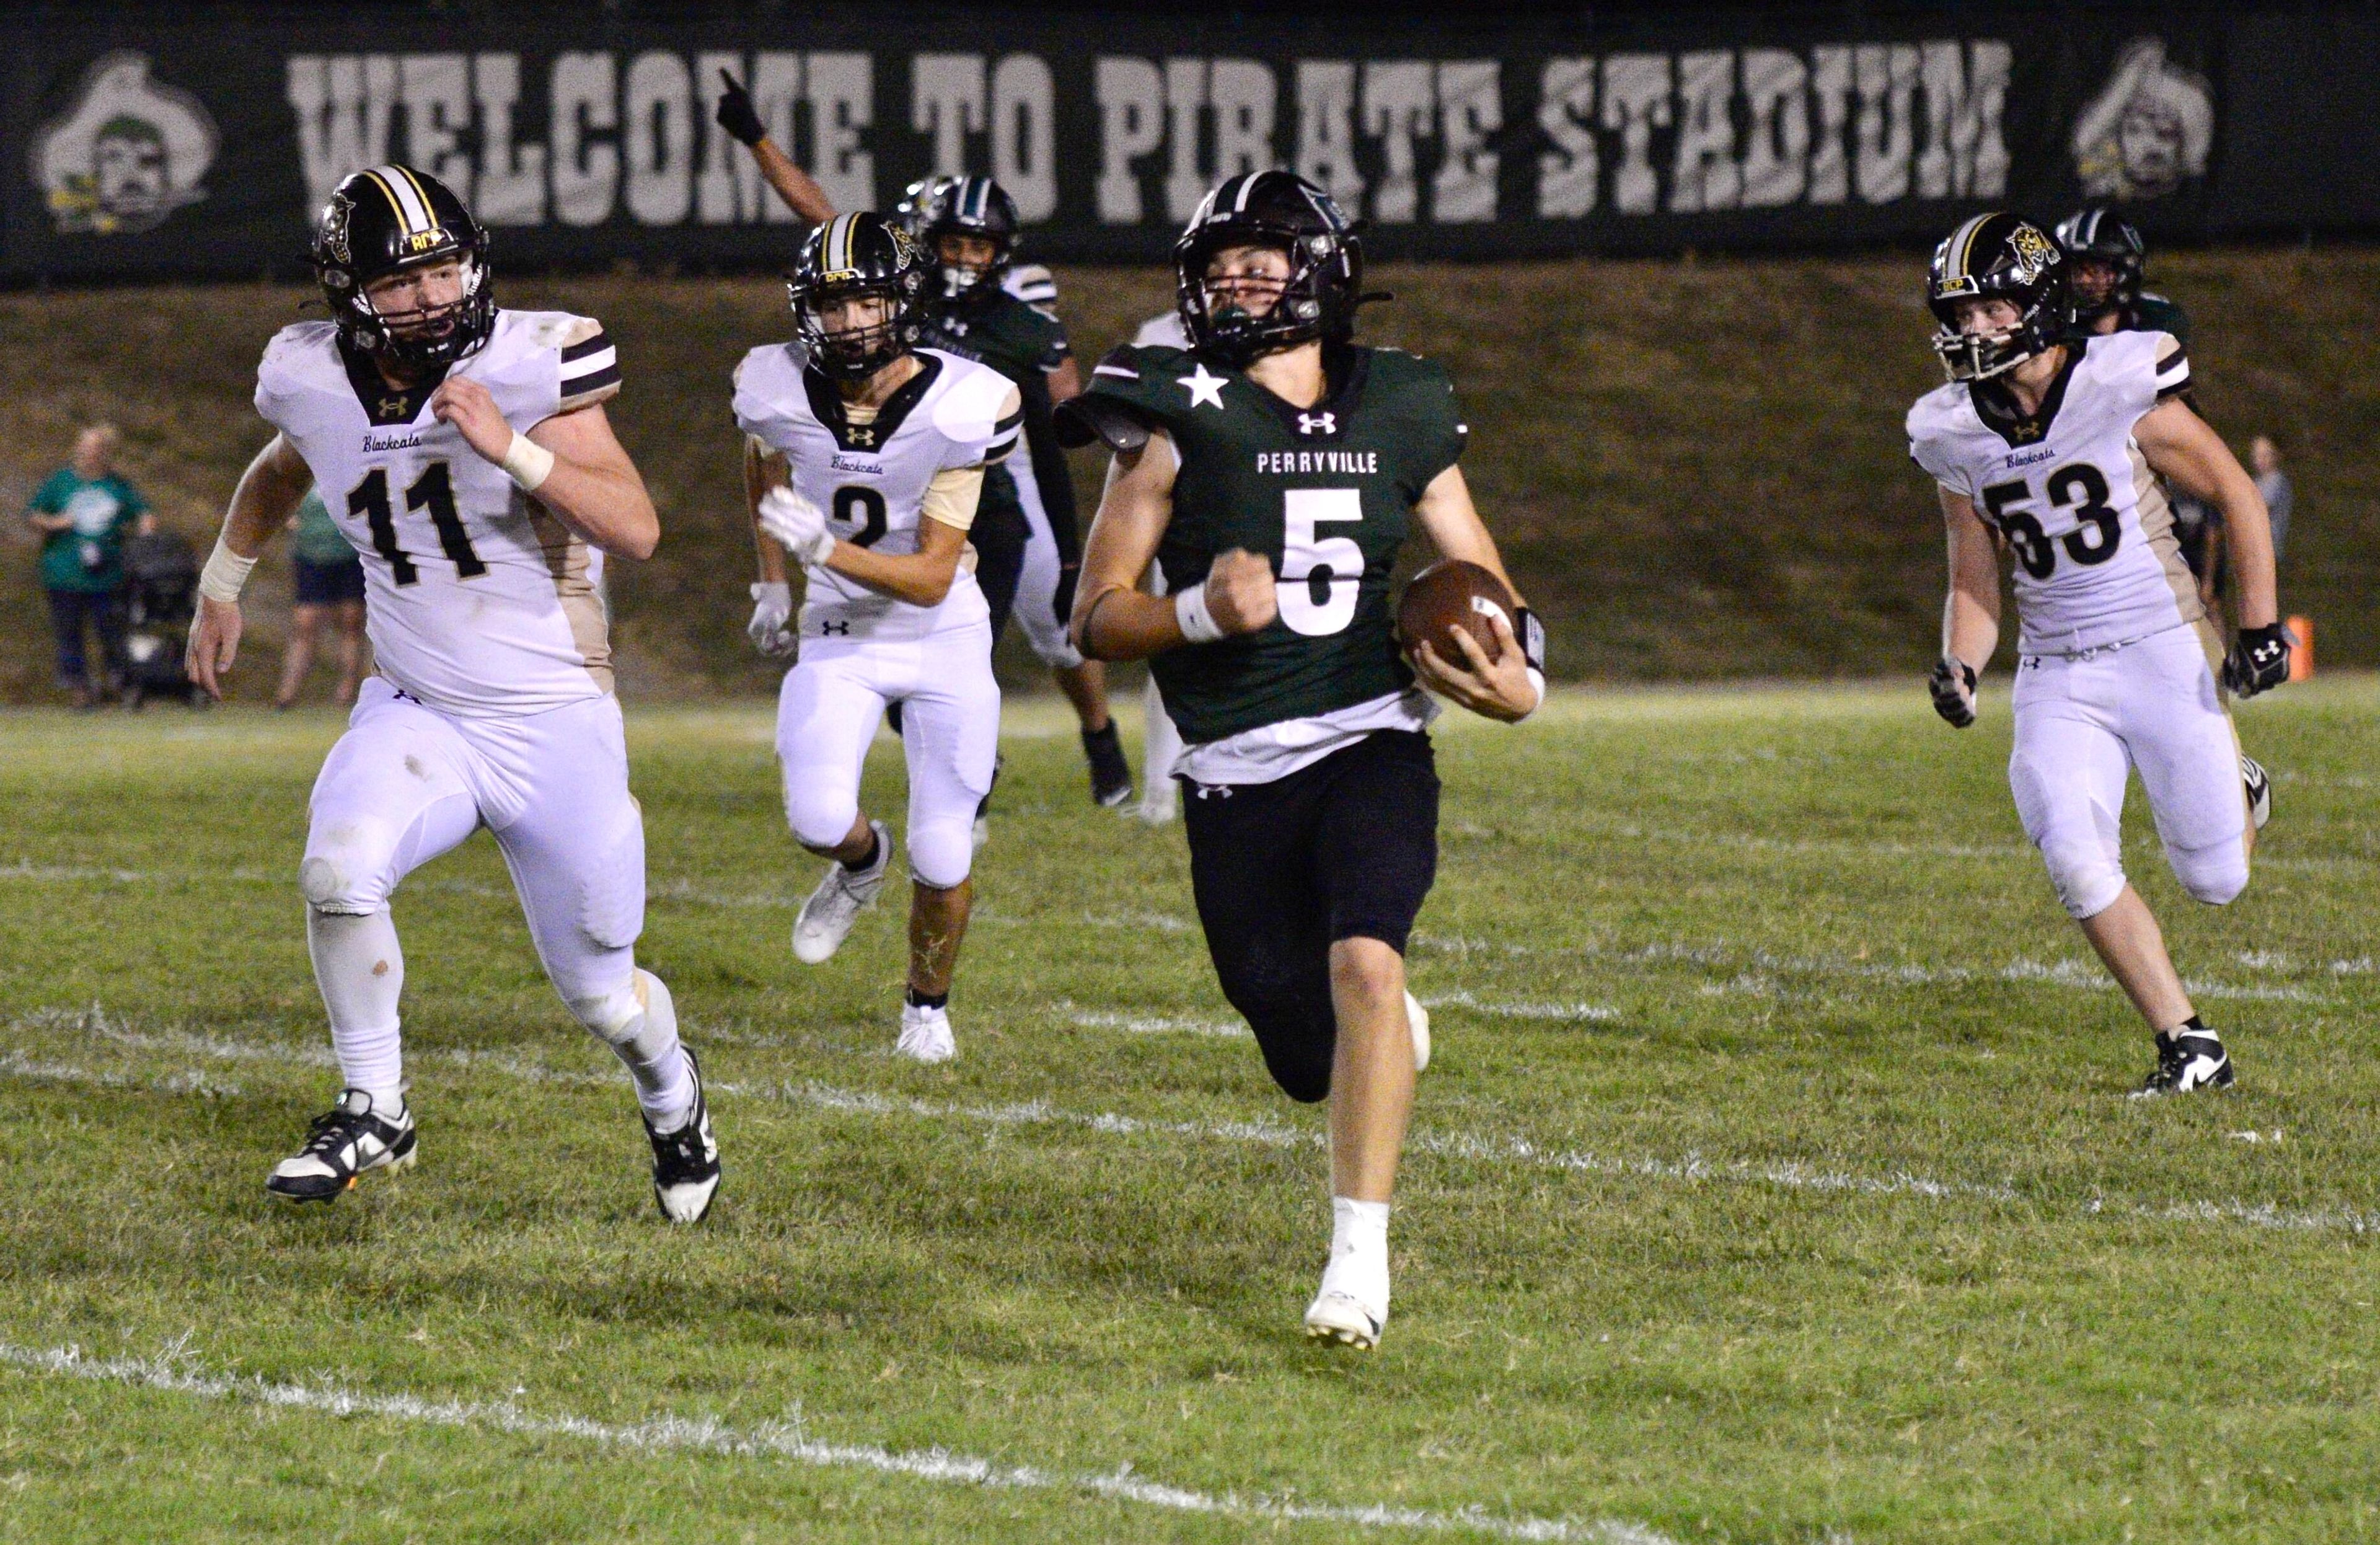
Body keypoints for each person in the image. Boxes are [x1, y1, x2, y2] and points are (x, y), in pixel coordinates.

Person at [1060, 171, 1545, 1349]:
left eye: (1258, 266)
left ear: (1322, 273)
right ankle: (1368, 1048)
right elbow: (1095, 617)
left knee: (1368, 965)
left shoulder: (1405, 404)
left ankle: (1357, 1266)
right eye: (1216, 270)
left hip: (1372, 737)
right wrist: (1199, 615)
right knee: (1295, 1044)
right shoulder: (1174, 411)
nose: (1233, 287)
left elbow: (1487, 577)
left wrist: (1521, 676)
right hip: (1233, 768)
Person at [186, 164, 720, 1221]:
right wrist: (221, 583)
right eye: (401, 281)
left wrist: (511, 447)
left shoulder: (533, 361)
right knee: (339, 869)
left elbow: (637, 527)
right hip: (417, 703)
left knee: (603, 995)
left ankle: (675, 1098)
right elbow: (286, 466)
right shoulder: (309, 374)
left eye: (443, 270)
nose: (431, 298)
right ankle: (375, 1104)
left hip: (553, 716)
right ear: (348, 292)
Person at [1908, 213, 2288, 1099]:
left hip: (2161, 646)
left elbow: (2236, 491)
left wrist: (2261, 625)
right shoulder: (1949, 429)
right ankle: (2188, 1043)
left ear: (2039, 300)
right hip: (2058, 670)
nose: (1974, 331)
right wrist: (1961, 663)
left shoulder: (2120, 378)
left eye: (1991, 309)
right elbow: (1974, 575)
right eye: (1959, 315)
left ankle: (2240, 787)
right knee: (2072, 850)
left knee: (2217, 881)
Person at [713, 75, 1131, 811]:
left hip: (993, 493)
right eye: (954, 242)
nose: (967, 257)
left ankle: (1101, 744)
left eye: (981, 244)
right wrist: (756, 139)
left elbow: (1056, 413)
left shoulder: (1021, 322)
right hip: (893, 488)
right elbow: (821, 215)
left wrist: (1070, 535)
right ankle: (967, 770)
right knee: (926, 650)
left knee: (1057, 633)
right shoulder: (888, 287)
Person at [737, 212, 1020, 1063]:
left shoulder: (964, 402)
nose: (852, 322)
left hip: (942, 632)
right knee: (816, 814)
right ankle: (862, 863)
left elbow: (934, 573)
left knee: (943, 851)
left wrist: (824, 549)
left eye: (867, 302)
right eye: (833, 305)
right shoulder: (772, 385)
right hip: (837, 631)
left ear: (902, 302)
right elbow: (762, 459)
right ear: (806, 312)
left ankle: (926, 1010)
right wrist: (771, 577)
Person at [27, 423, 151, 708]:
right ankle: (80, 692)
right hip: (64, 573)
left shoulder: (117, 485)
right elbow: (34, 514)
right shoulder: (61, 482)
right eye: (84, 447)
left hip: (107, 575)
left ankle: (118, 686)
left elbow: (143, 513)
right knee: (70, 637)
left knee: (111, 634)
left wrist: (146, 533)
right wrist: (56, 523)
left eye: (94, 448)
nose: (87, 453)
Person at [274, 484, 368, 708]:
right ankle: (286, 696)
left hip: (349, 555)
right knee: (305, 623)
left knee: (350, 621)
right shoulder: (303, 468)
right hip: (311, 557)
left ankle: (346, 693)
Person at [2054, 206, 2190, 345]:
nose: (2083, 280)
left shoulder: (2158, 320)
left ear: (2127, 268)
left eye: (2096, 270)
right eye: (2074, 271)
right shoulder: (2050, 328)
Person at [2251, 435, 2293, 564]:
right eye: (2258, 455)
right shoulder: (2256, 482)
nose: (2261, 460)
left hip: (2270, 547)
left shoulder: (2278, 482)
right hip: (2256, 546)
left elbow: (2264, 507)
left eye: (2266, 455)